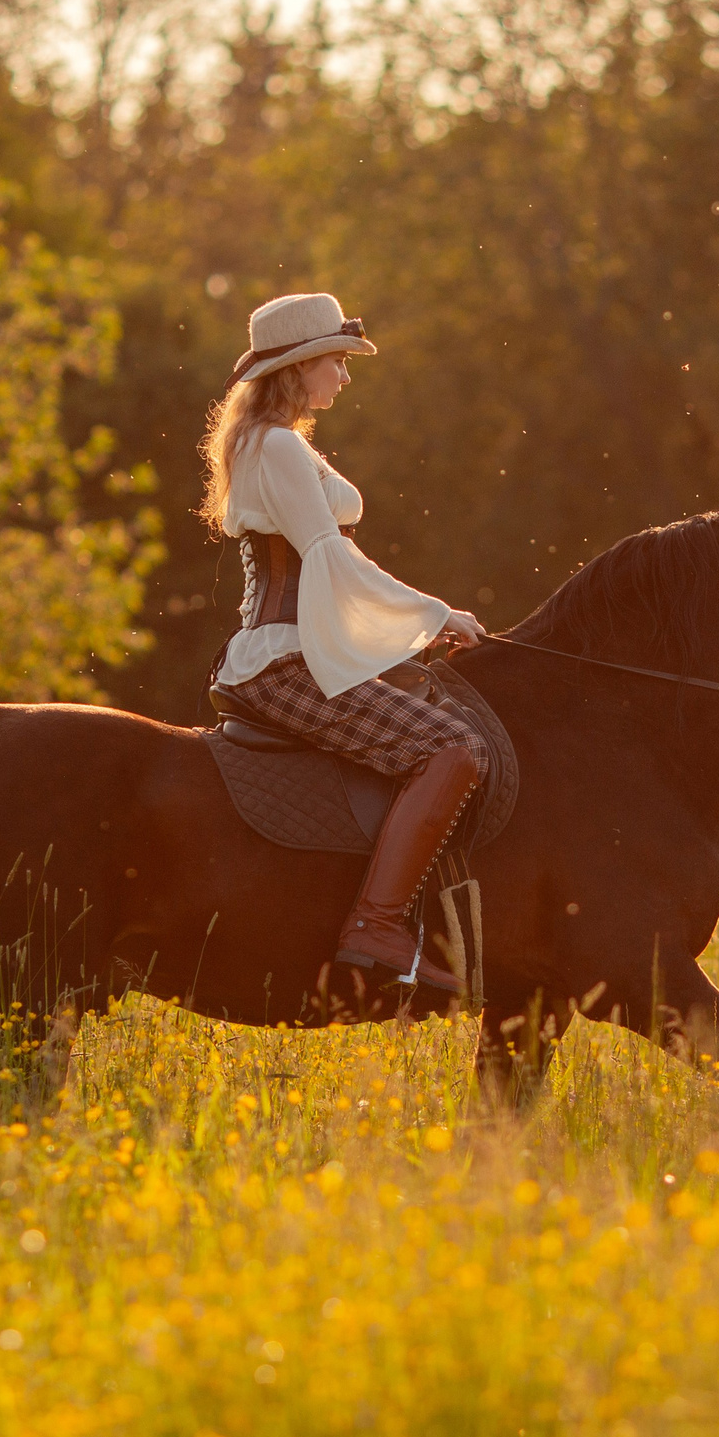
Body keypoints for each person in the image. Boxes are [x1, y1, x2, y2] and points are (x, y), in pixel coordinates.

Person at [201, 292, 489, 994]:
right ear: (299, 368)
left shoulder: (279, 442)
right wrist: (433, 613)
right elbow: (329, 558)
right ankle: (376, 925)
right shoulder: (273, 445)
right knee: (453, 748)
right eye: (336, 361)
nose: (345, 376)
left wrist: (400, 640)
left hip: (300, 649)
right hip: (283, 664)